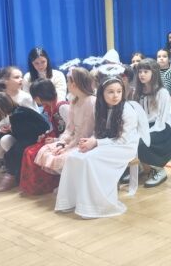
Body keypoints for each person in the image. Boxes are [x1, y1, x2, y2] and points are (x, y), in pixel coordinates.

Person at [55, 77, 150, 219]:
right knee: (73, 157)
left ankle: (95, 206)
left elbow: (123, 139)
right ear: (102, 93)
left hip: (124, 147)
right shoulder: (100, 108)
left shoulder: (127, 110)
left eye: (119, 91)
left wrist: (96, 143)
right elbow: (98, 131)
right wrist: (91, 140)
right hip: (106, 143)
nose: (115, 95)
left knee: (89, 160)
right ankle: (73, 200)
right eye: (110, 92)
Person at [34, 67, 96, 174]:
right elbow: (69, 129)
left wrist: (68, 147)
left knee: (64, 157)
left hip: (86, 142)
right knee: (46, 151)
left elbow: (87, 132)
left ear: (74, 84)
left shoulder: (92, 101)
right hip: (73, 140)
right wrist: (61, 143)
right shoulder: (74, 101)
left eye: (68, 81)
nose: (67, 84)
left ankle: (71, 180)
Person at [19, 79, 69, 195]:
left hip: (66, 140)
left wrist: (57, 140)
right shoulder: (50, 106)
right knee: (28, 151)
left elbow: (73, 129)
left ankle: (48, 184)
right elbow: (54, 126)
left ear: (38, 97)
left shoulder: (62, 107)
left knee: (33, 153)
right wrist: (46, 134)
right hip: (58, 136)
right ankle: (39, 185)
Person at [0, 92, 49, 192]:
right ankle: (14, 175)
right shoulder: (18, 111)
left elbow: (24, 135)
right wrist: (11, 129)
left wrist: (11, 130)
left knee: (13, 153)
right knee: (12, 151)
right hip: (33, 135)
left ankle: (12, 176)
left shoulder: (17, 115)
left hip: (38, 137)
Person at [133, 59, 171, 188]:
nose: (142, 74)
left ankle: (158, 170)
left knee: (141, 143)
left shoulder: (162, 93)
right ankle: (142, 168)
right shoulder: (137, 92)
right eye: (140, 71)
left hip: (159, 129)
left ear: (154, 73)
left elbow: (161, 120)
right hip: (142, 127)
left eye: (146, 71)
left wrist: (143, 133)